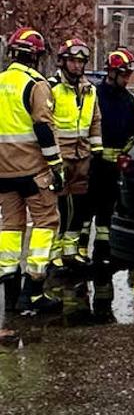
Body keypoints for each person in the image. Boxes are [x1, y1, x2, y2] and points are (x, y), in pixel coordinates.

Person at [0, 28, 65, 315]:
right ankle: (34, 291)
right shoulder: (36, 84)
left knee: (10, 227)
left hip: (3, 172)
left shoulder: (0, 82)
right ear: (37, 57)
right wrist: (56, 166)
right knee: (46, 223)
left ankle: (11, 293)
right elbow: (42, 127)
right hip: (34, 171)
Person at [47, 39, 103, 319]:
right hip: (61, 155)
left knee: (78, 205)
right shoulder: (52, 88)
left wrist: (97, 149)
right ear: (63, 61)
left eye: (81, 61)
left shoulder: (90, 89)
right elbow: (48, 122)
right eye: (73, 61)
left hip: (82, 155)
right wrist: (53, 155)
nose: (77, 65)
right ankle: (54, 255)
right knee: (59, 206)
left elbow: (95, 121)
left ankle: (71, 252)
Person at [91, 48, 134, 319]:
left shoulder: (129, 99)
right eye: (123, 74)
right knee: (92, 212)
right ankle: (86, 257)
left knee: (110, 214)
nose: (126, 78)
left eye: (128, 74)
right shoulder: (96, 96)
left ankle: (105, 252)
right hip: (97, 166)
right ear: (111, 72)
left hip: (118, 166)